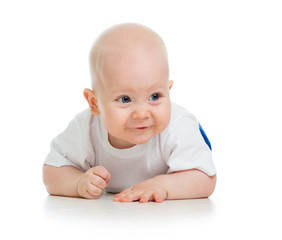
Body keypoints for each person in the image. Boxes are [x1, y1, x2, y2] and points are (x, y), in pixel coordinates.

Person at [43, 23, 216, 203]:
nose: (141, 114)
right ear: (95, 103)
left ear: (168, 90)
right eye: (125, 99)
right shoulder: (86, 128)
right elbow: (52, 170)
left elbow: (206, 178)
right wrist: (77, 183)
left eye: (155, 96)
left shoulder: (179, 127)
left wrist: (163, 186)